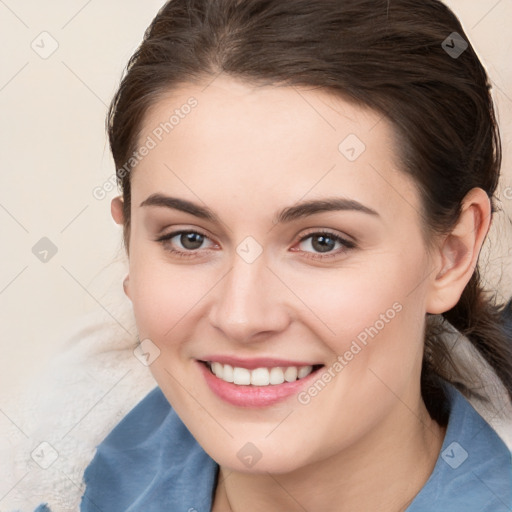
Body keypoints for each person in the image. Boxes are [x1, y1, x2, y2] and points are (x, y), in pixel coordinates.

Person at [35, 0, 512, 510]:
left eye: (322, 242)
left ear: (451, 254)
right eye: (189, 238)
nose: (242, 317)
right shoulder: (83, 477)